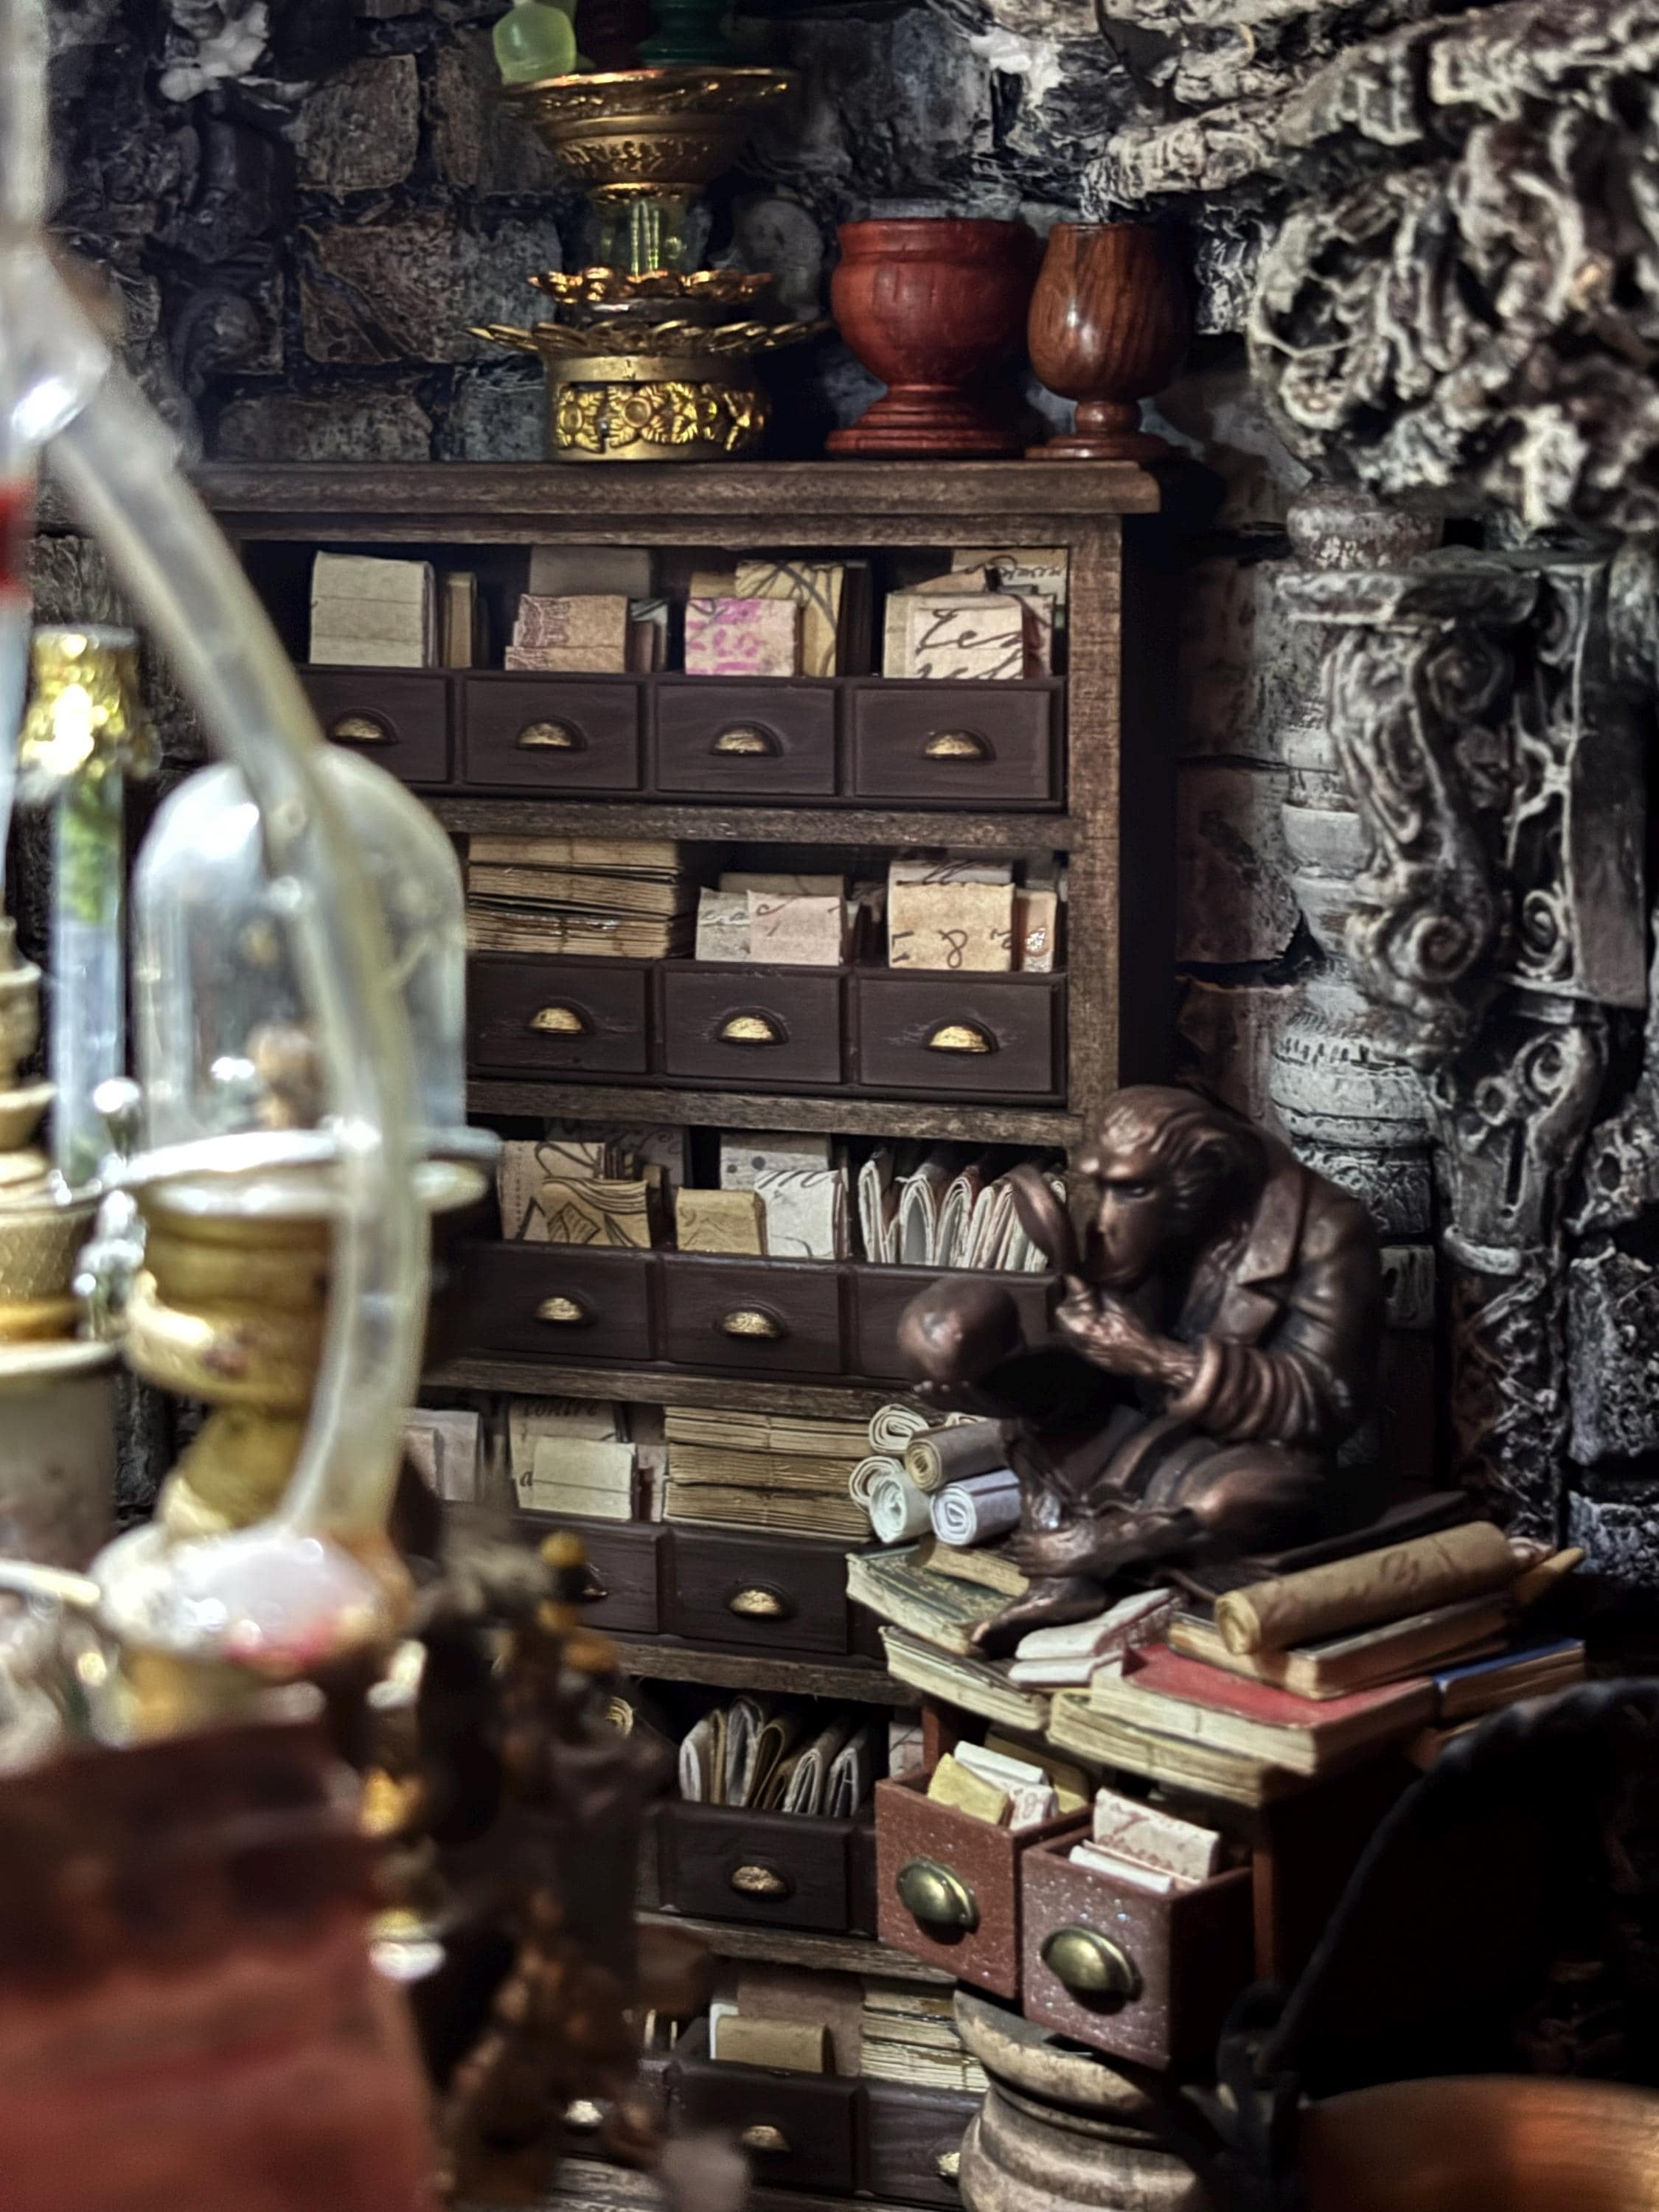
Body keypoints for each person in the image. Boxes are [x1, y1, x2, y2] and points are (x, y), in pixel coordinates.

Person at [900, 1085, 1383, 1655]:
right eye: (1102, 1184)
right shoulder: (1146, 1218)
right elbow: (1103, 1380)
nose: (1105, 1217)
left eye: (1130, 1189)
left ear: (1210, 1168)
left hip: (1254, 1452)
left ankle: (1106, 1543)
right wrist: (1000, 1385)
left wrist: (1156, 1357)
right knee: (1030, 1424)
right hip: (1153, 1430)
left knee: (1230, 1499)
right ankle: (1063, 1581)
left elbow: (1326, 1399)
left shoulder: (1327, 1230)